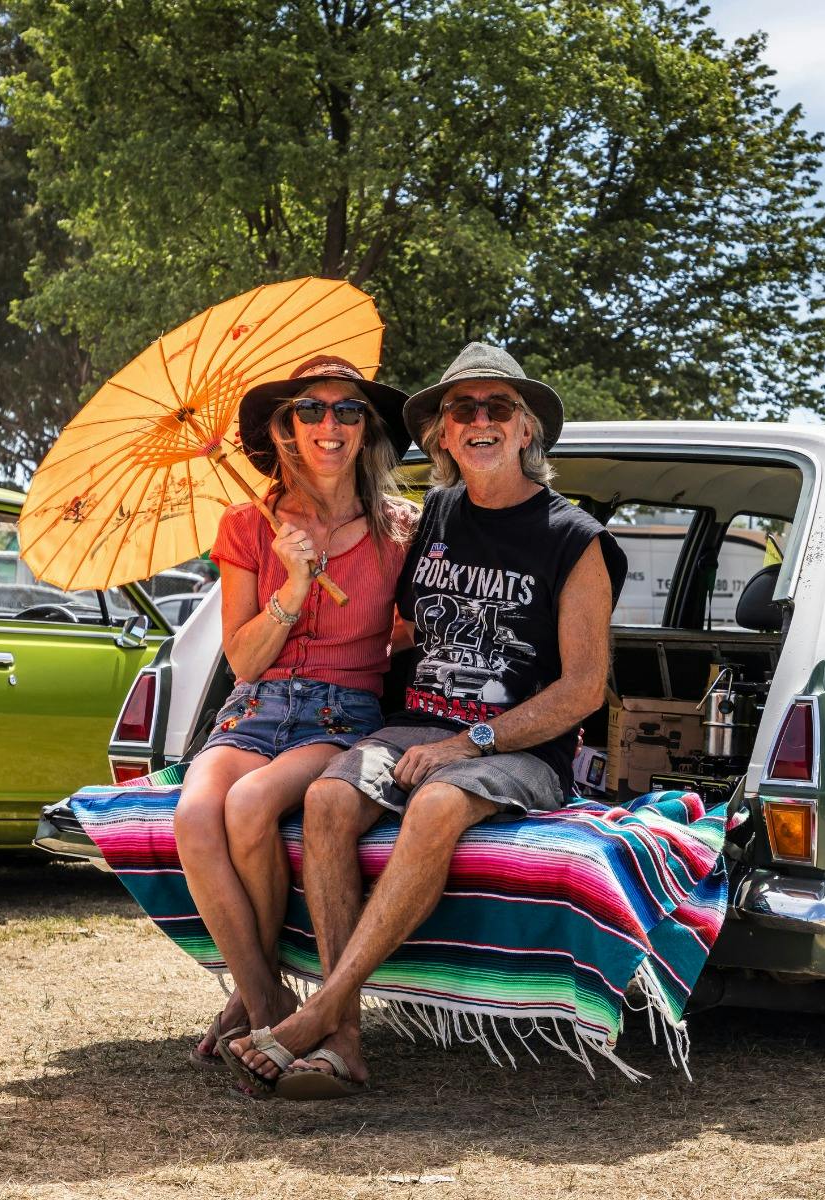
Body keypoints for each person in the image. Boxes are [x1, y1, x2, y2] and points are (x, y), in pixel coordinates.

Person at [226, 342, 625, 1099]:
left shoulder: (575, 539)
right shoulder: (434, 516)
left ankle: (321, 1017)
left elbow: (583, 689)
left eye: (497, 407)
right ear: (442, 434)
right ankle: (342, 1045)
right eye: (460, 409)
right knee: (328, 799)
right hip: (416, 723)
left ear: (526, 430)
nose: (479, 420)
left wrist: (468, 741)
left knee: (438, 803)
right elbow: (406, 624)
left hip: (519, 746)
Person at [174, 355, 415, 1082]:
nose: (329, 424)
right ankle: (266, 997)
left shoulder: (400, 528)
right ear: (285, 428)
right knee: (194, 815)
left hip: (342, 713)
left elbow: (414, 632)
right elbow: (244, 660)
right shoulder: (249, 526)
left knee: (249, 803)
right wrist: (297, 582)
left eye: (347, 411)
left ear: (365, 428)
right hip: (255, 707)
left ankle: (260, 1009)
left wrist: (375, 628)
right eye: (310, 410)